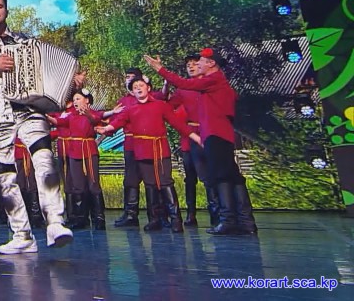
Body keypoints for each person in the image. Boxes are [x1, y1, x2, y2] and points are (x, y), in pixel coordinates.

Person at [0, 0, 77, 254]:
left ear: (6, 10)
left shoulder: (26, 41)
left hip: (29, 109)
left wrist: (70, 83)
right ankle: (22, 235)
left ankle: (55, 222)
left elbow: (45, 75)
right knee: (6, 178)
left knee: (45, 160)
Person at [145, 48, 257, 236]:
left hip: (216, 133)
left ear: (211, 63)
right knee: (232, 175)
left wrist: (160, 69)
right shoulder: (216, 82)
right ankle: (244, 221)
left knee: (222, 176)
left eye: (201, 61)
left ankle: (229, 220)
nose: (198, 64)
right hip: (218, 132)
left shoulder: (213, 80)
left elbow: (183, 83)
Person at [98, 77, 201, 233]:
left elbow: (177, 124)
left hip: (159, 150)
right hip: (142, 151)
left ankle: (175, 219)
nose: (138, 88)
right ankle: (154, 219)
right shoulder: (130, 109)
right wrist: (106, 129)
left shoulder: (160, 105)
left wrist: (195, 137)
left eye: (141, 85)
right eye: (135, 87)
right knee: (150, 184)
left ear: (148, 88)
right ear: (132, 92)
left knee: (165, 182)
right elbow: (118, 122)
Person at [49, 90, 121, 230]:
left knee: (93, 184)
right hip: (74, 152)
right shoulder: (71, 115)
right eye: (74, 99)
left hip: (88, 151)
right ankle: (81, 218)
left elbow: (98, 118)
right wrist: (44, 116)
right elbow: (58, 121)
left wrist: (93, 113)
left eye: (78, 98)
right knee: (78, 186)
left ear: (87, 100)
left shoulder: (92, 114)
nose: (75, 102)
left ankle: (98, 218)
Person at [167, 55, 217, 227]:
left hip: (208, 134)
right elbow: (168, 107)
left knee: (209, 176)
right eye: (188, 65)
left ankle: (216, 214)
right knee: (190, 178)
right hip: (189, 137)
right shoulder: (183, 89)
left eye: (195, 64)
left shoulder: (210, 85)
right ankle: (191, 214)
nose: (191, 67)